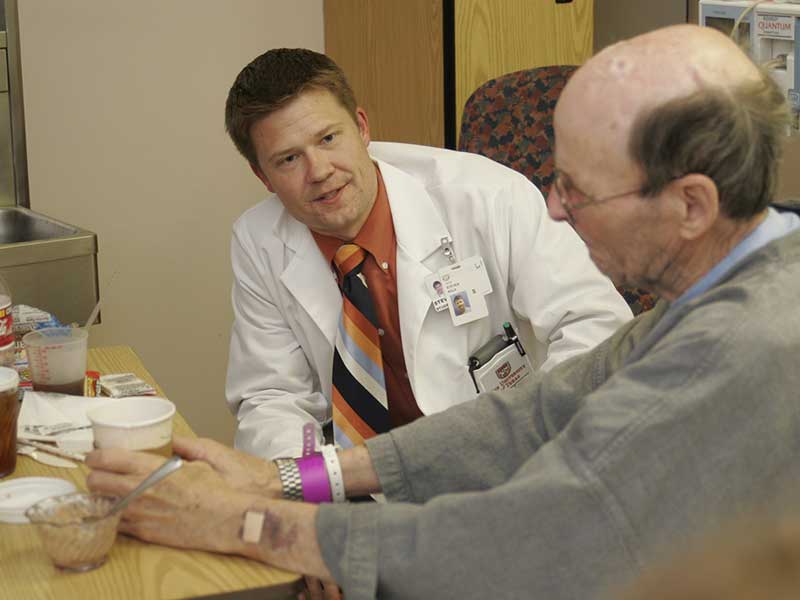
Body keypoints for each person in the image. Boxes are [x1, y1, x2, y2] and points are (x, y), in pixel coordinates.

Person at [87, 24, 800, 600]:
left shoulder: (750, 343)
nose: (553, 208)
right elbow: (535, 411)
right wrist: (287, 481)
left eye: (578, 192)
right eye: (556, 183)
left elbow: (538, 534)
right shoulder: (711, 298)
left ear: (691, 205)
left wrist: (246, 522)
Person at [222, 48, 631, 459]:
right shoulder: (259, 242)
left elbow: (596, 327)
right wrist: (312, 484)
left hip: (515, 455)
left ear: (362, 128)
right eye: (289, 159)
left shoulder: (489, 196)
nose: (320, 171)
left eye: (328, 139)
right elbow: (271, 397)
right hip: (363, 480)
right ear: (264, 177)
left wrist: (527, 438)